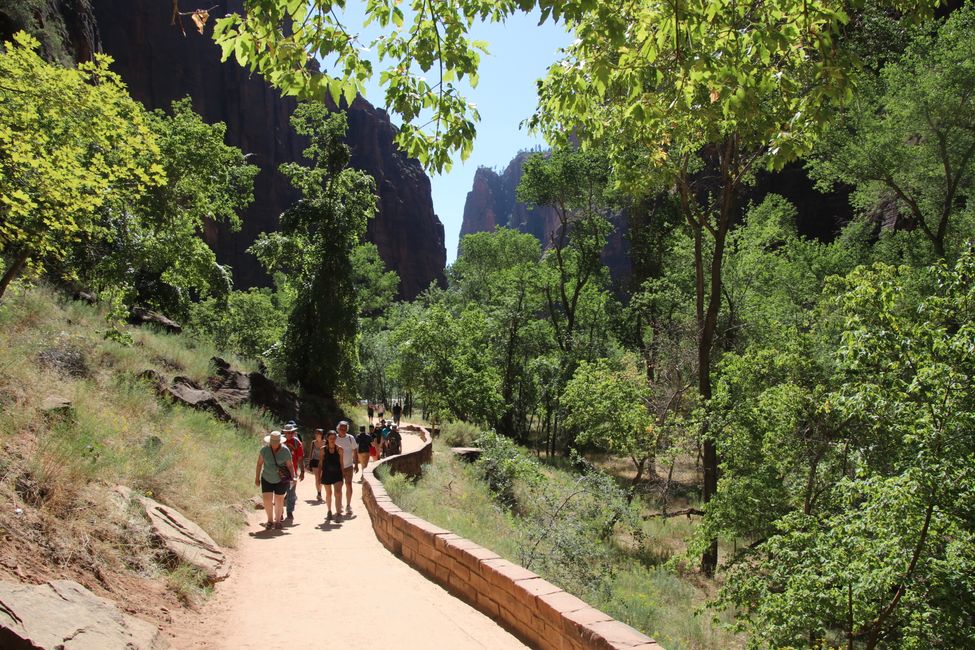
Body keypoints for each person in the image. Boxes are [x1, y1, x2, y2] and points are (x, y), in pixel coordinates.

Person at [255, 431, 292, 530]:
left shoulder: (285, 451)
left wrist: (293, 477)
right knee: (267, 500)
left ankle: (278, 522)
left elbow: (289, 465)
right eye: (273, 442)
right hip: (267, 477)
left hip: (281, 479)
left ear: (280, 442)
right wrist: (257, 478)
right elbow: (259, 464)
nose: (274, 444)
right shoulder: (264, 450)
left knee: (279, 499)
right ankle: (270, 520)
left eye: (276, 442)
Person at [317, 430, 344, 521]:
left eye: (334, 438)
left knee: (338, 493)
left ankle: (339, 513)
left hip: (337, 474)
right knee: (329, 494)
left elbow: (341, 463)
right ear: (327, 439)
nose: (332, 440)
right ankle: (329, 511)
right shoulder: (323, 450)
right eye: (330, 438)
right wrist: (318, 476)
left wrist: (342, 475)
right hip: (326, 474)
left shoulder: (339, 449)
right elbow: (320, 463)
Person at [334, 420, 359, 516]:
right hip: (337, 467)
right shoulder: (334, 438)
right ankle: (339, 505)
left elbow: (355, 450)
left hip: (348, 466)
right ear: (338, 429)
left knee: (349, 485)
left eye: (345, 429)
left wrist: (356, 464)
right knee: (338, 488)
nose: (343, 430)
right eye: (341, 428)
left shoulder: (350, 438)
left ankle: (348, 505)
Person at [282, 423, 304, 521]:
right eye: (288, 432)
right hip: (280, 471)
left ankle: (289, 511)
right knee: (280, 493)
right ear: (285, 433)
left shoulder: (297, 442)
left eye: (292, 432)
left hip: (292, 472)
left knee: (291, 493)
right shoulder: (280, 441)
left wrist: (302, 470)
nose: (290, 434)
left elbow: (300, 458)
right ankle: (280, 512)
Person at [309, 429, 325, 501]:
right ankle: (319, 493)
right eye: (316, 434)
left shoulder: (325, 442)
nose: (317, 435)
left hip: (323, 462)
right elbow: (311, 453)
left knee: (321, 478)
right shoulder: (313, 443)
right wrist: (309, 463)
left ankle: (320, 491)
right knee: (317, 478)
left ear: (321, 435)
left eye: (318, 434)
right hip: (315, 461)